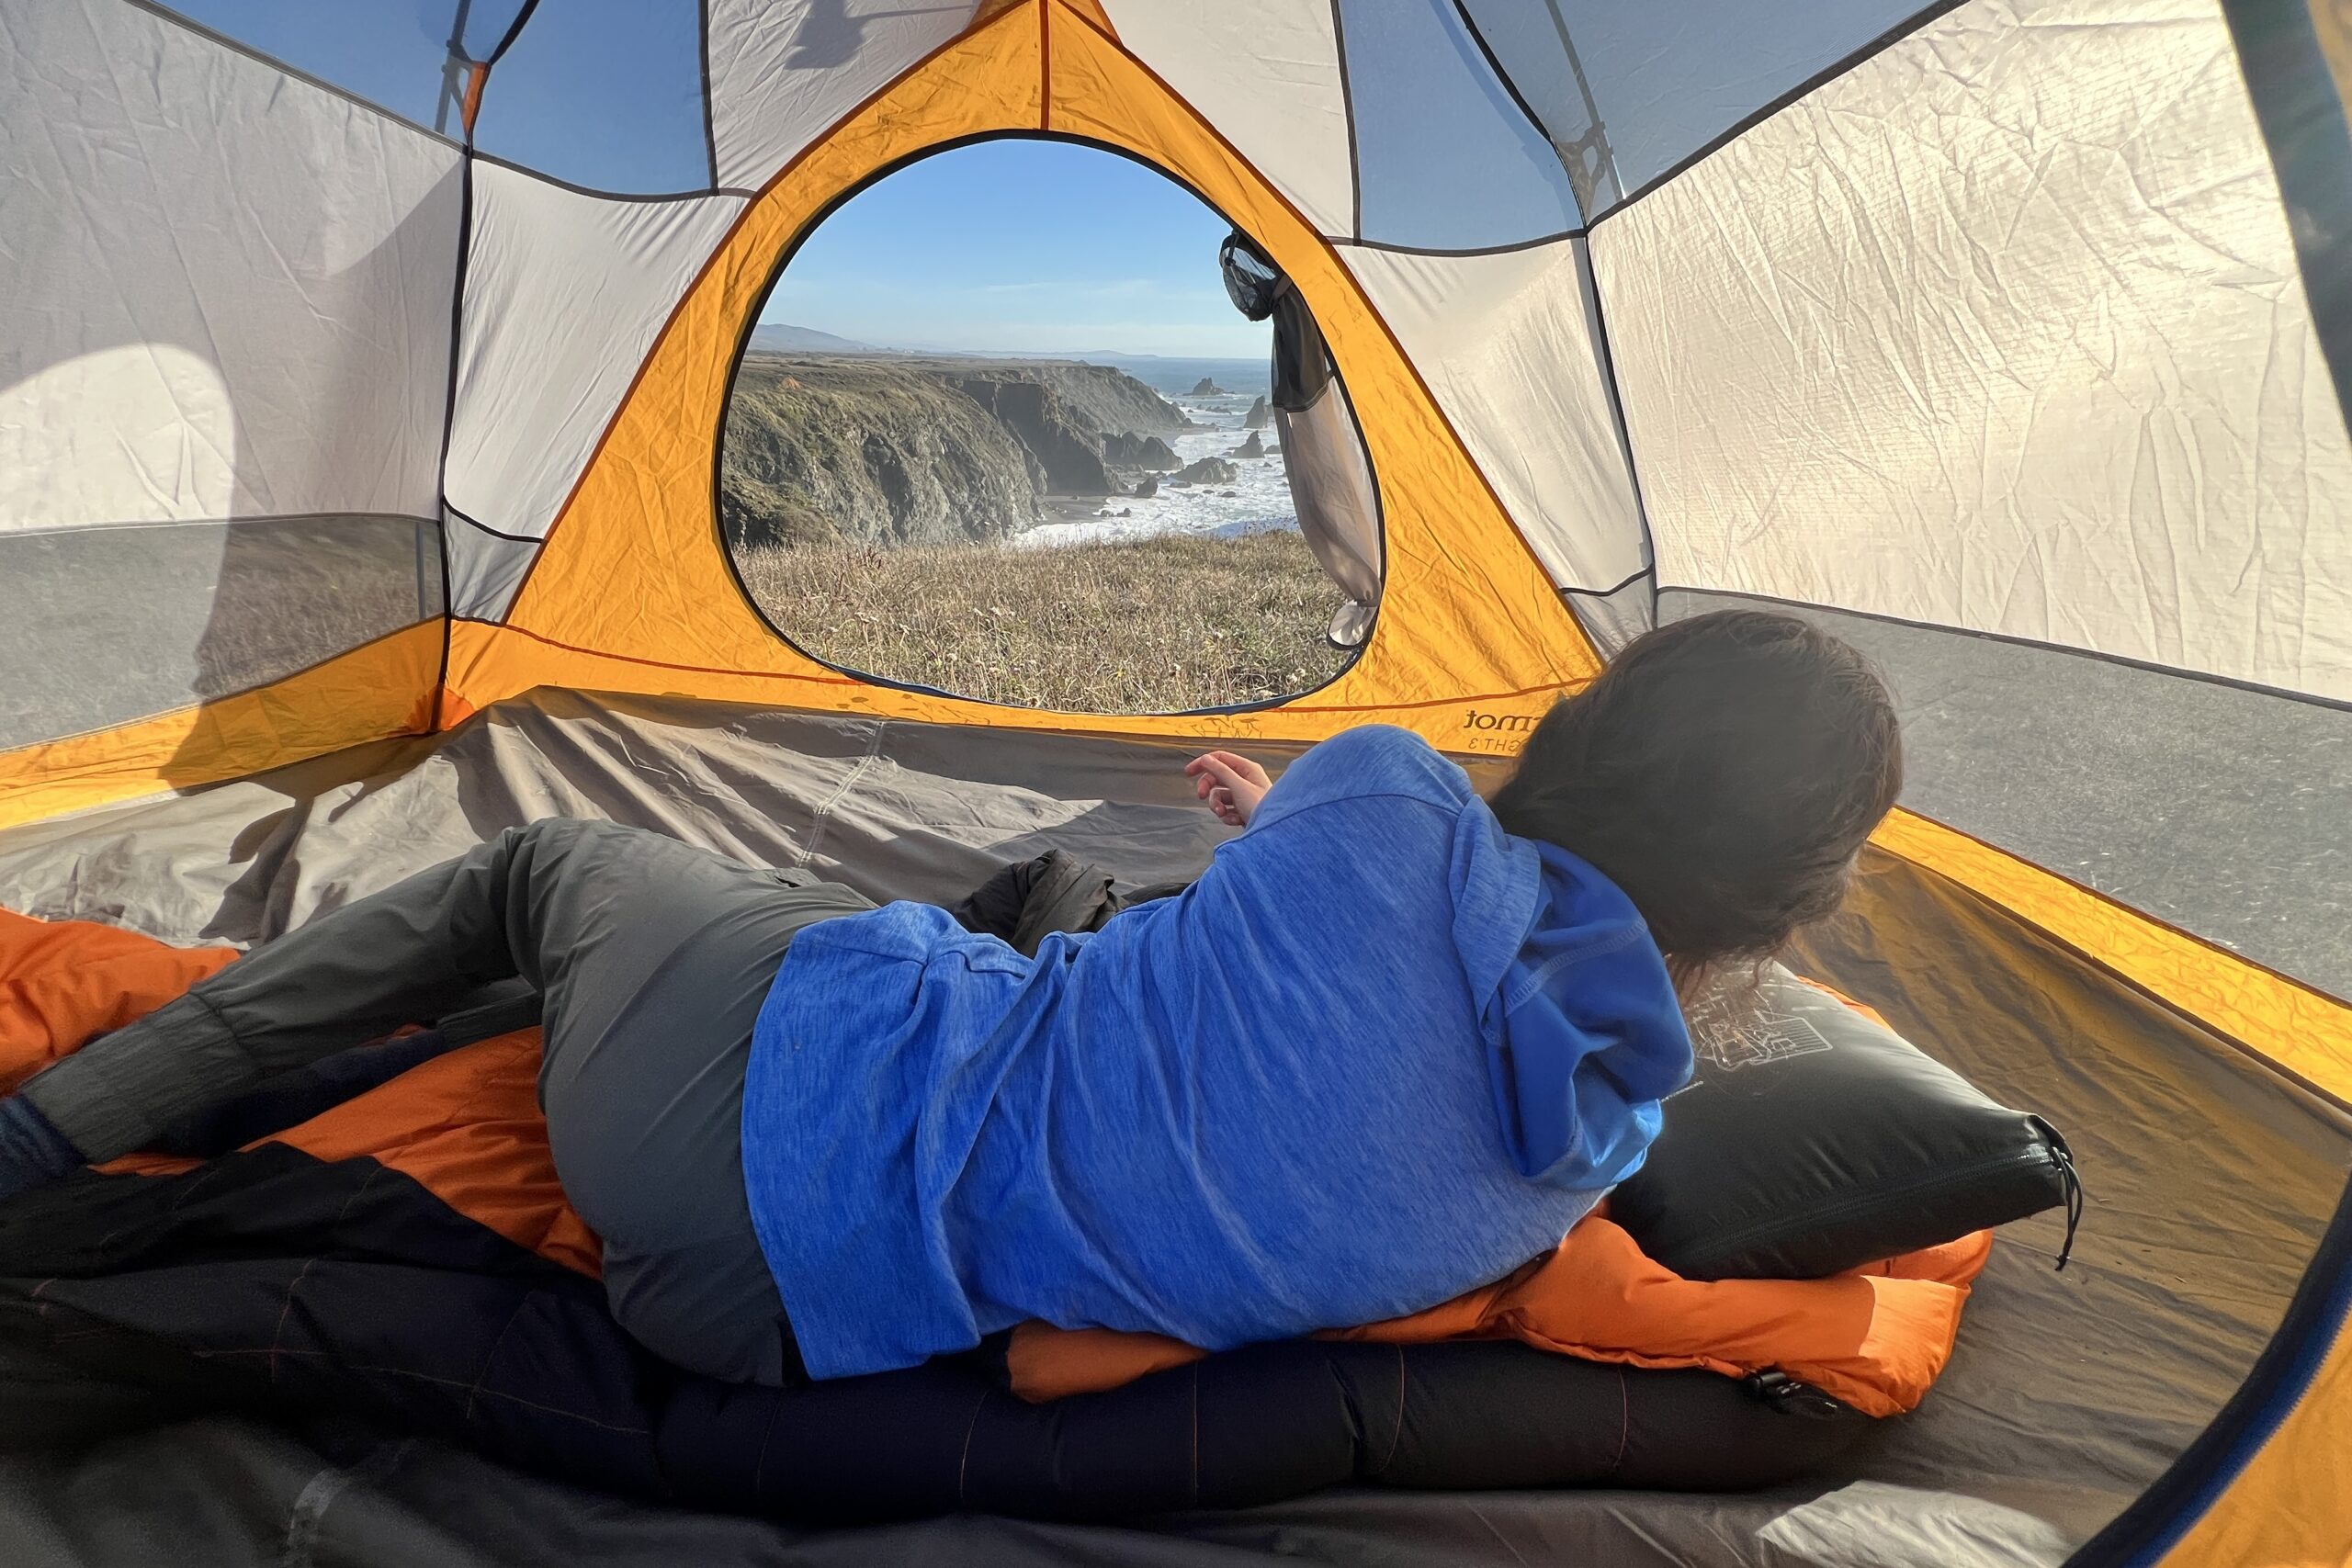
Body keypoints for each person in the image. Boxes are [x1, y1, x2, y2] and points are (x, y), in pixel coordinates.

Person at [0, 610, 1902, 1386]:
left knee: (542, 873)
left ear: (1598, 720)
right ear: (1773, 908)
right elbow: (1419, 1015)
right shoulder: (1579, 1156)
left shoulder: (1392, 797)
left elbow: (1400, 880)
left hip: (740, 1116)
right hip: (781, 1331)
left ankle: (46, 1128)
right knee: (868, 936)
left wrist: (1279, 827)